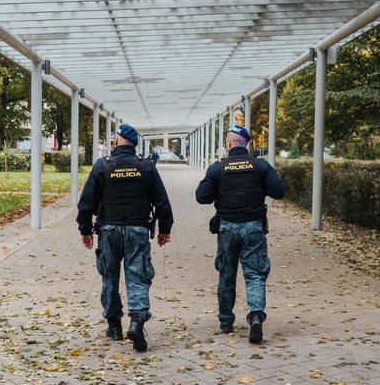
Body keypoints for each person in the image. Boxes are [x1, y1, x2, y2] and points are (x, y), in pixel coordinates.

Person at [77, 123, 173, 351]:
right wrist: (165, 229)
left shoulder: (103, 166)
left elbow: (86, 202)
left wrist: (85, 230)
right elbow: (161, 201)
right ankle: (137, 321)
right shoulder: (146, 166)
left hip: (109, 230)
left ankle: (114, 326)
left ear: (119, 140)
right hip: (138, 231)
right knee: (138, 277)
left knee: (109, 277)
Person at [195, 125, 286, 343]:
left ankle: (226, 322)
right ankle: (255, 316)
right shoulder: (260, 166)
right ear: (247, 144)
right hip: (253, 227)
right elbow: (279, 191)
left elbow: (201, 196)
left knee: (226, 275)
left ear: (228, 143)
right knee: (255, 274)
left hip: (227, 228)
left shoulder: (218, 168)